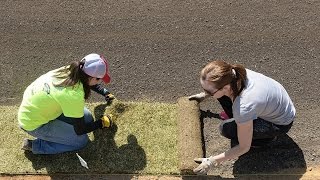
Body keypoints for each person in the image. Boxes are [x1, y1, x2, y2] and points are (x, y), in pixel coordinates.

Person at [189, 60, 296, 175]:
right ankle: (242, 119)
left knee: (226, 129)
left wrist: (212, 161)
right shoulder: (234, 74)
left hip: (280, 123)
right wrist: (206, 95)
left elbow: (244, 147)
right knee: (222, 99)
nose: (206, 92)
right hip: (276, 106)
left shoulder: (244, 105)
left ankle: (265, 139)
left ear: (225, 87)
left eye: (208, 91)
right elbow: (221, 89)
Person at [18, 53, 115, 154]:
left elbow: (87, 81)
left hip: (40, 106)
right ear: (93, 78)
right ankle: (35, 146)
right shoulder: (73, 95)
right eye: (99, 80)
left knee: (88, 118)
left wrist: (104, 92)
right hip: (33, 122)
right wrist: (101, 123)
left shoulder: (71, 69)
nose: (99, 82)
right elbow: (80, 130)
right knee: (81, 141)